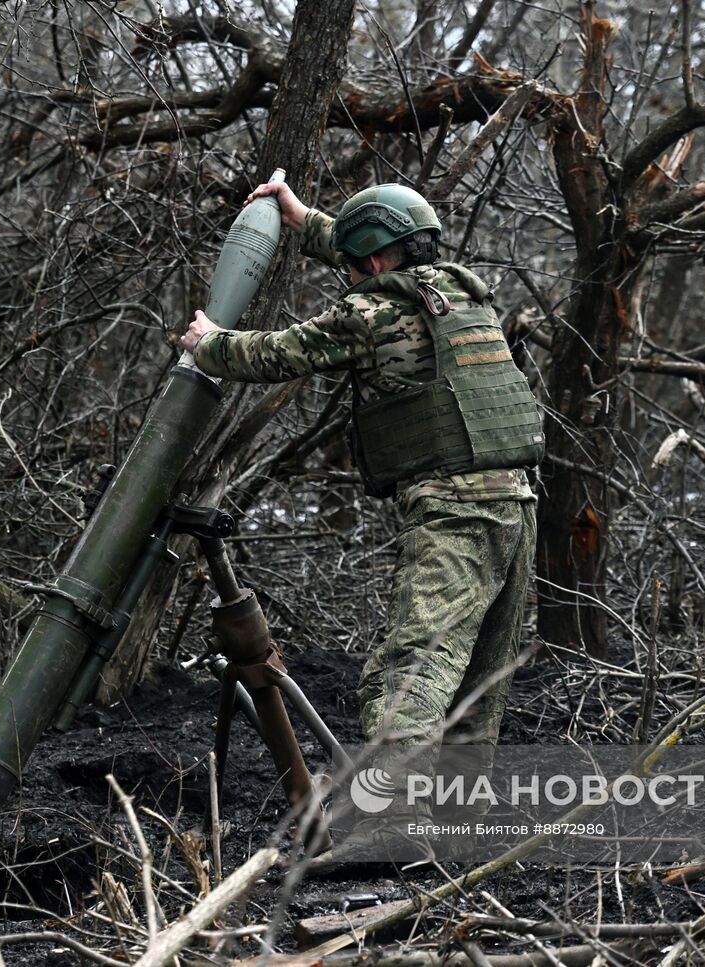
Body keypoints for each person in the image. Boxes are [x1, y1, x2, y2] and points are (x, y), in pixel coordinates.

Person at [179, 181, 542, 869]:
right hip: (517, 506)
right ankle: (456, 836)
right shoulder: (464, 292)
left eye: (352, 264)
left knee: (410, 674)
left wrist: (211, 343)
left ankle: (394, 832)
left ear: (372, 263)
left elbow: (279, 353)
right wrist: (305, 220)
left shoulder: (370, 313)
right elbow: (376, 256)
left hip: (454, 515)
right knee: (476, 686)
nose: (349, 276)